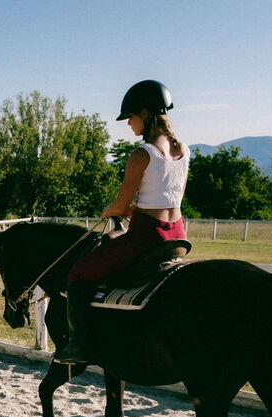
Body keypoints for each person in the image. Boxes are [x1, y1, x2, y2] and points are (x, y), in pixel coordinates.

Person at [55, 79, 190, 364]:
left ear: (144, 113)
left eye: (130, 117)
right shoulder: (183, 151)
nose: (129, 123)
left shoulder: (143, 154)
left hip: (147, 239)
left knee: (78, 274)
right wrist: (132, 211)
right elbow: (166, 199)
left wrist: (112, 210)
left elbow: (119, 203)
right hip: (178, 237)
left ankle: (78, 346)